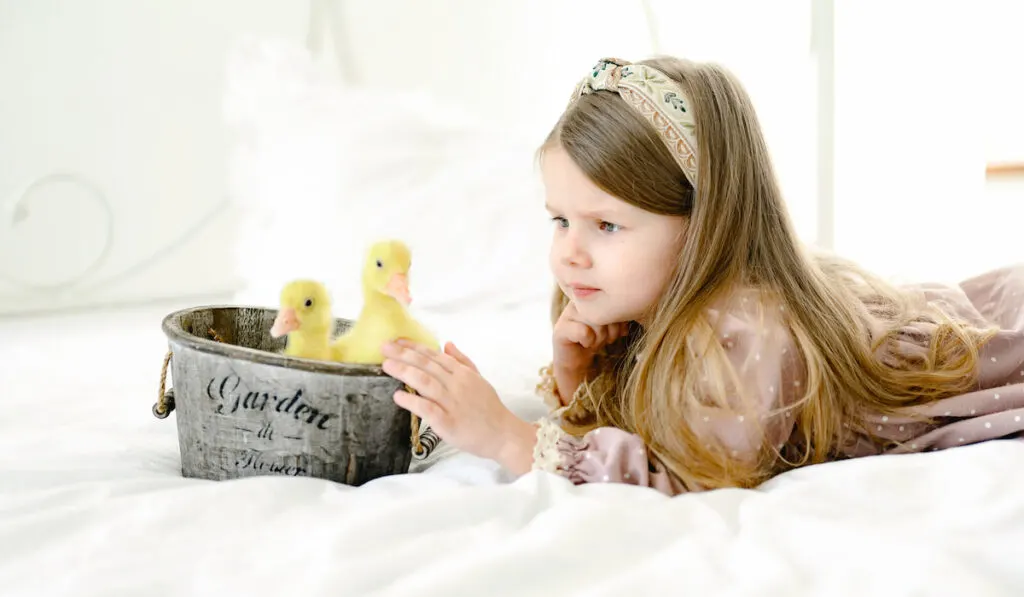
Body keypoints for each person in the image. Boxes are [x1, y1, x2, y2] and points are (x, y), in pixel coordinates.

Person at [380, 56, 1024, 496]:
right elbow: (651, 417)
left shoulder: (741, 331)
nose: (570, 253)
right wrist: (579, 375)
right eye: (560, 220)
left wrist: (510, 438)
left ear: (704, 223)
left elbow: (690, 472)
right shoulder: (650, 302)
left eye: (605, 226)